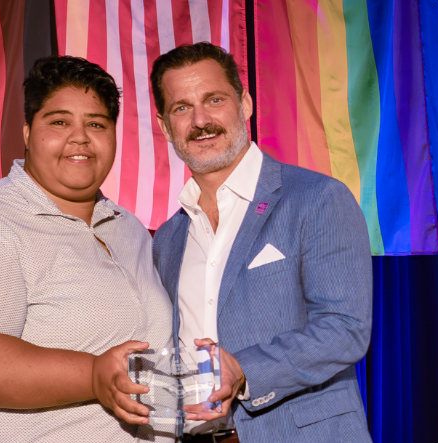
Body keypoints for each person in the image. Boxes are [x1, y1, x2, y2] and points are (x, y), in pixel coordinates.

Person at [0, 55, 174, 442]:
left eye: (96, 124)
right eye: (59, 122)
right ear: (28, 132)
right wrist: (93, 374)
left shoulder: (129, 229)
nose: (80, 137)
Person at [149, 42, 373, 442]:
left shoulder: (317, 198)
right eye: (181, 108)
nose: (201, 120)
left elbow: (345, 328)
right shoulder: (167, 238)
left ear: (245, 104)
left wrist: (244, 370)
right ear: (165, 126)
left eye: (215, 100)